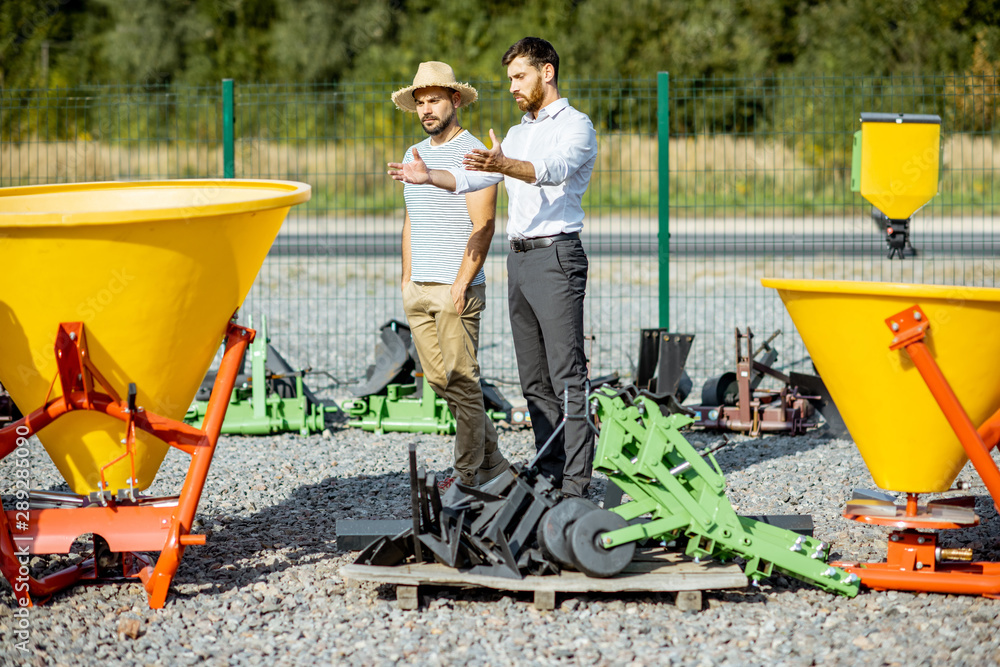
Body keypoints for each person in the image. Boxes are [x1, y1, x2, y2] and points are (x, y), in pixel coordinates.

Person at [388, 39, 598, 498]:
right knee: (534, 381)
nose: (512, 88)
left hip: (558, 255)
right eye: (509, 80)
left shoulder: (576, 126)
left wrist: (504, 162)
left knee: (567, 376)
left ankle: (578, 484)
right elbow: (475, 177)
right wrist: (432, 179)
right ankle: (548, 471)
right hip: (519, 259)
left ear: (547, 72)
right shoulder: (516, 132)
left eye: (519, 77)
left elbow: (554, 169)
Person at [390, 61, 511, 492]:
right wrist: (406, 278)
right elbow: (412, 219)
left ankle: (466, 479)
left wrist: (462, 283)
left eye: (435, 100)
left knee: (463, 382)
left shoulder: (474, 152)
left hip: (455, 288)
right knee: (443, 383)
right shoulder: (413, 154)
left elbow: (484, 226)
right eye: (420, 103)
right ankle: (496, 466)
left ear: (454, 101)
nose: (426, 110)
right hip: (420, 289)